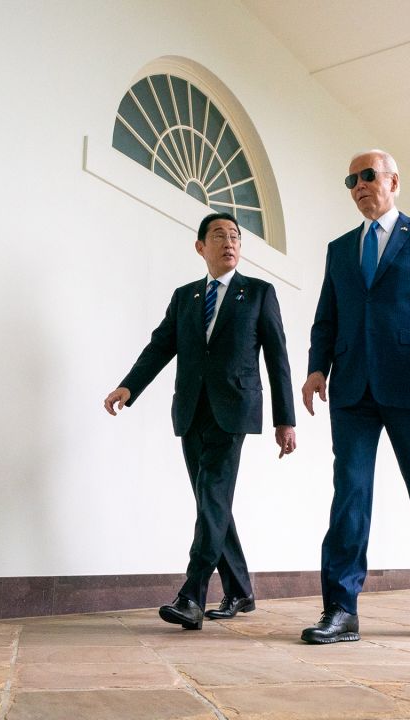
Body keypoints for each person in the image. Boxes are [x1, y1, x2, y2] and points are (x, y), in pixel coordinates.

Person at [300, 150, 410, 644]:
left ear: (393, 181)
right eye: (351, 179)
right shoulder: (339, 248)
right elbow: (326, 315)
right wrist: (315, 367)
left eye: (368, 176)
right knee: (349, 496)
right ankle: (341, 610)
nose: (358, 185)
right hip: (352, 388)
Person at [104, 212, 297, 631]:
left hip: (235, 410)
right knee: (213, 503)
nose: (229, 243)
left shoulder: (259, 293)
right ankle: (241, 590)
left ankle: (192, 595)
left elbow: (278, 359)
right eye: (219, 236)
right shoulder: (185, 297)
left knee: (212, 498)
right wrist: (128, 387)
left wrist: (286, 420)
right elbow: (160, 347)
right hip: (191, 409)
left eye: (235, 237)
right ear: (200, 247)